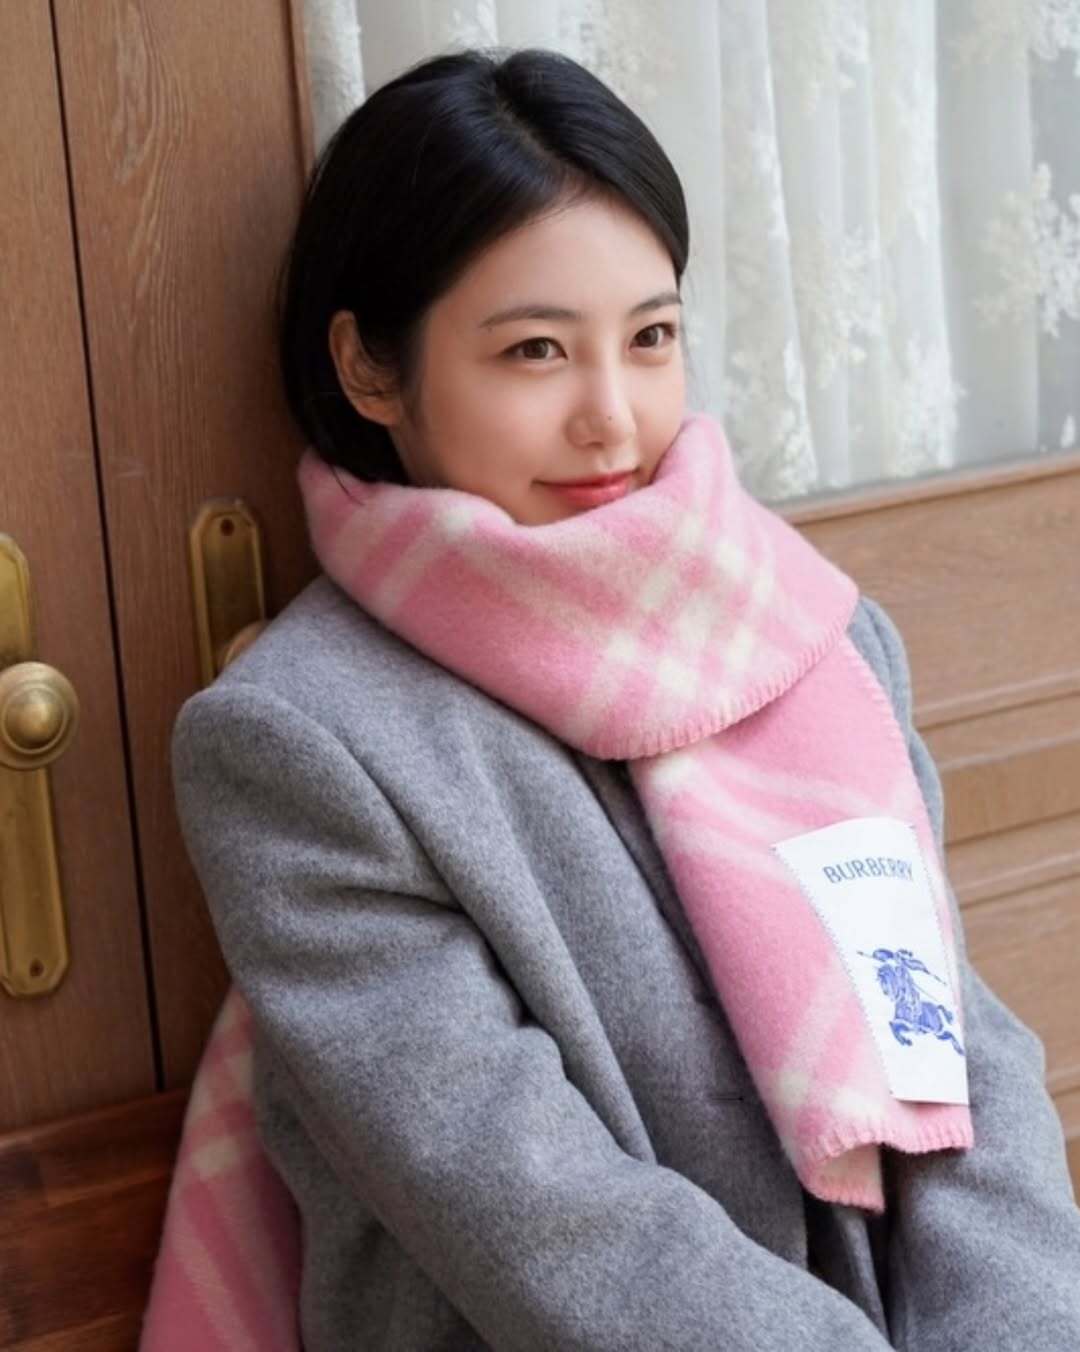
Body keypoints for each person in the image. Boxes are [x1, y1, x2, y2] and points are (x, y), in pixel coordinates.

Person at [157, 45, 1080, 1351]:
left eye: (650, 339)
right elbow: (537, 1216)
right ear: (370, 370)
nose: (613, 418)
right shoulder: (302, 743)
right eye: (536, 351)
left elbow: (958, 1057)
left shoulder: (806, 634)